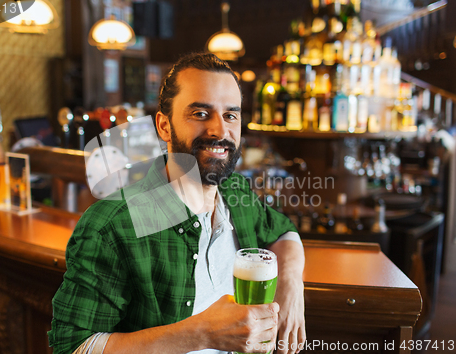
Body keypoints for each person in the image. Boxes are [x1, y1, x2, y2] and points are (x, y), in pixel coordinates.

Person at [48, 52, 306, 354]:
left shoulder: (236, 192)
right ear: (164, 126)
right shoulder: (112, 225)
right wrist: (200, 334)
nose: (220, 131)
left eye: (230, 115)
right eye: (200, 114)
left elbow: (284, 232)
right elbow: (72, 347)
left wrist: (291, 283)